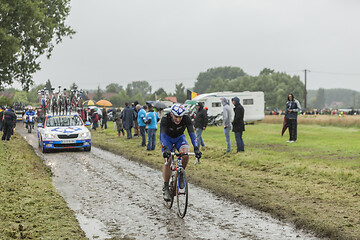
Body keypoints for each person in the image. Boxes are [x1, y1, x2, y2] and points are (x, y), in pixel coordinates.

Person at [160, 104, 202, 201]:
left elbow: (192, 133)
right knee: (168, 159)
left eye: (180, 117)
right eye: (176, 117)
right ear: (171, 114)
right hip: (167, 139)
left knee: (186, 155)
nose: (178, 120)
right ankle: (166, 187)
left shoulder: (186, 119)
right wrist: (165, 148)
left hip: (179, 139)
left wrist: (196, 148)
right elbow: (162, 135)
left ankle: (180, 175)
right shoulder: (165, 119)